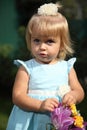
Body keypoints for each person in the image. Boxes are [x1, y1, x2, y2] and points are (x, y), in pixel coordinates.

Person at [6, 3, 84, 130]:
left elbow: (79, 91)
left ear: (62, 44)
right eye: (36, 40)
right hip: (30, 120)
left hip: (59, 121)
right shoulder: (26, 68)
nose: (42, 47)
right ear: (30, 40)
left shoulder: (66, 67)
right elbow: (18, 96)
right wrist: (39, 105)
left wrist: (73, 96)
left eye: (49, 41)